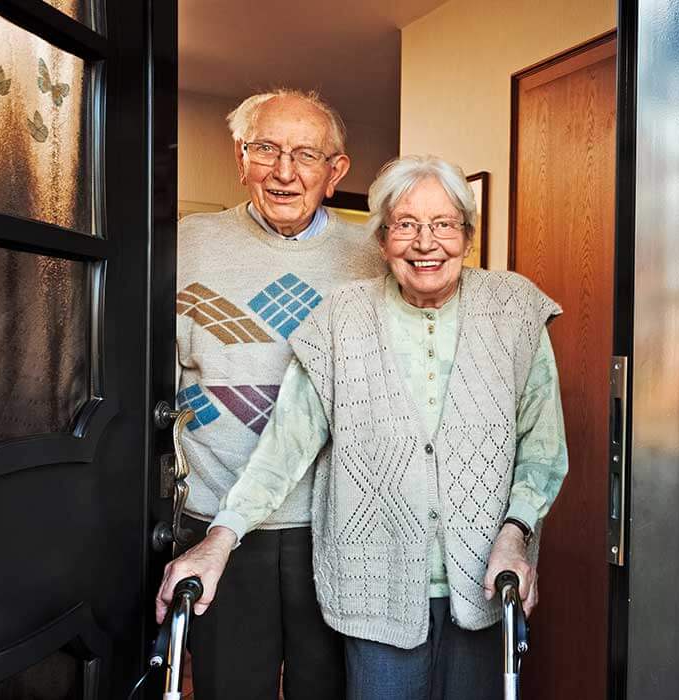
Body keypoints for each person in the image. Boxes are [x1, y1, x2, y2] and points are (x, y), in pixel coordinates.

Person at [158, 154, 568, 699]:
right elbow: (286, 445)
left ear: (467, 236)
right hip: (375, 584)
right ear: (381, 241)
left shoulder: (514, 310)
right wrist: (220, 537)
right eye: (405, 225)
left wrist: (516, 533)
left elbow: (542, 448)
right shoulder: (340, 318)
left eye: (444, 224)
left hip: (487, 581)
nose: (426, 243)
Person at [164, 88, 383, 699]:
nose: (284, 172)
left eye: (305, 155)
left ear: (335, 171)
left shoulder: (373, 257)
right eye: (266, 149)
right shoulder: (185, 243)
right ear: (241, 159)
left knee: (328, 688)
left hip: (334, 521)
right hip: (217, 516)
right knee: (231, 686)